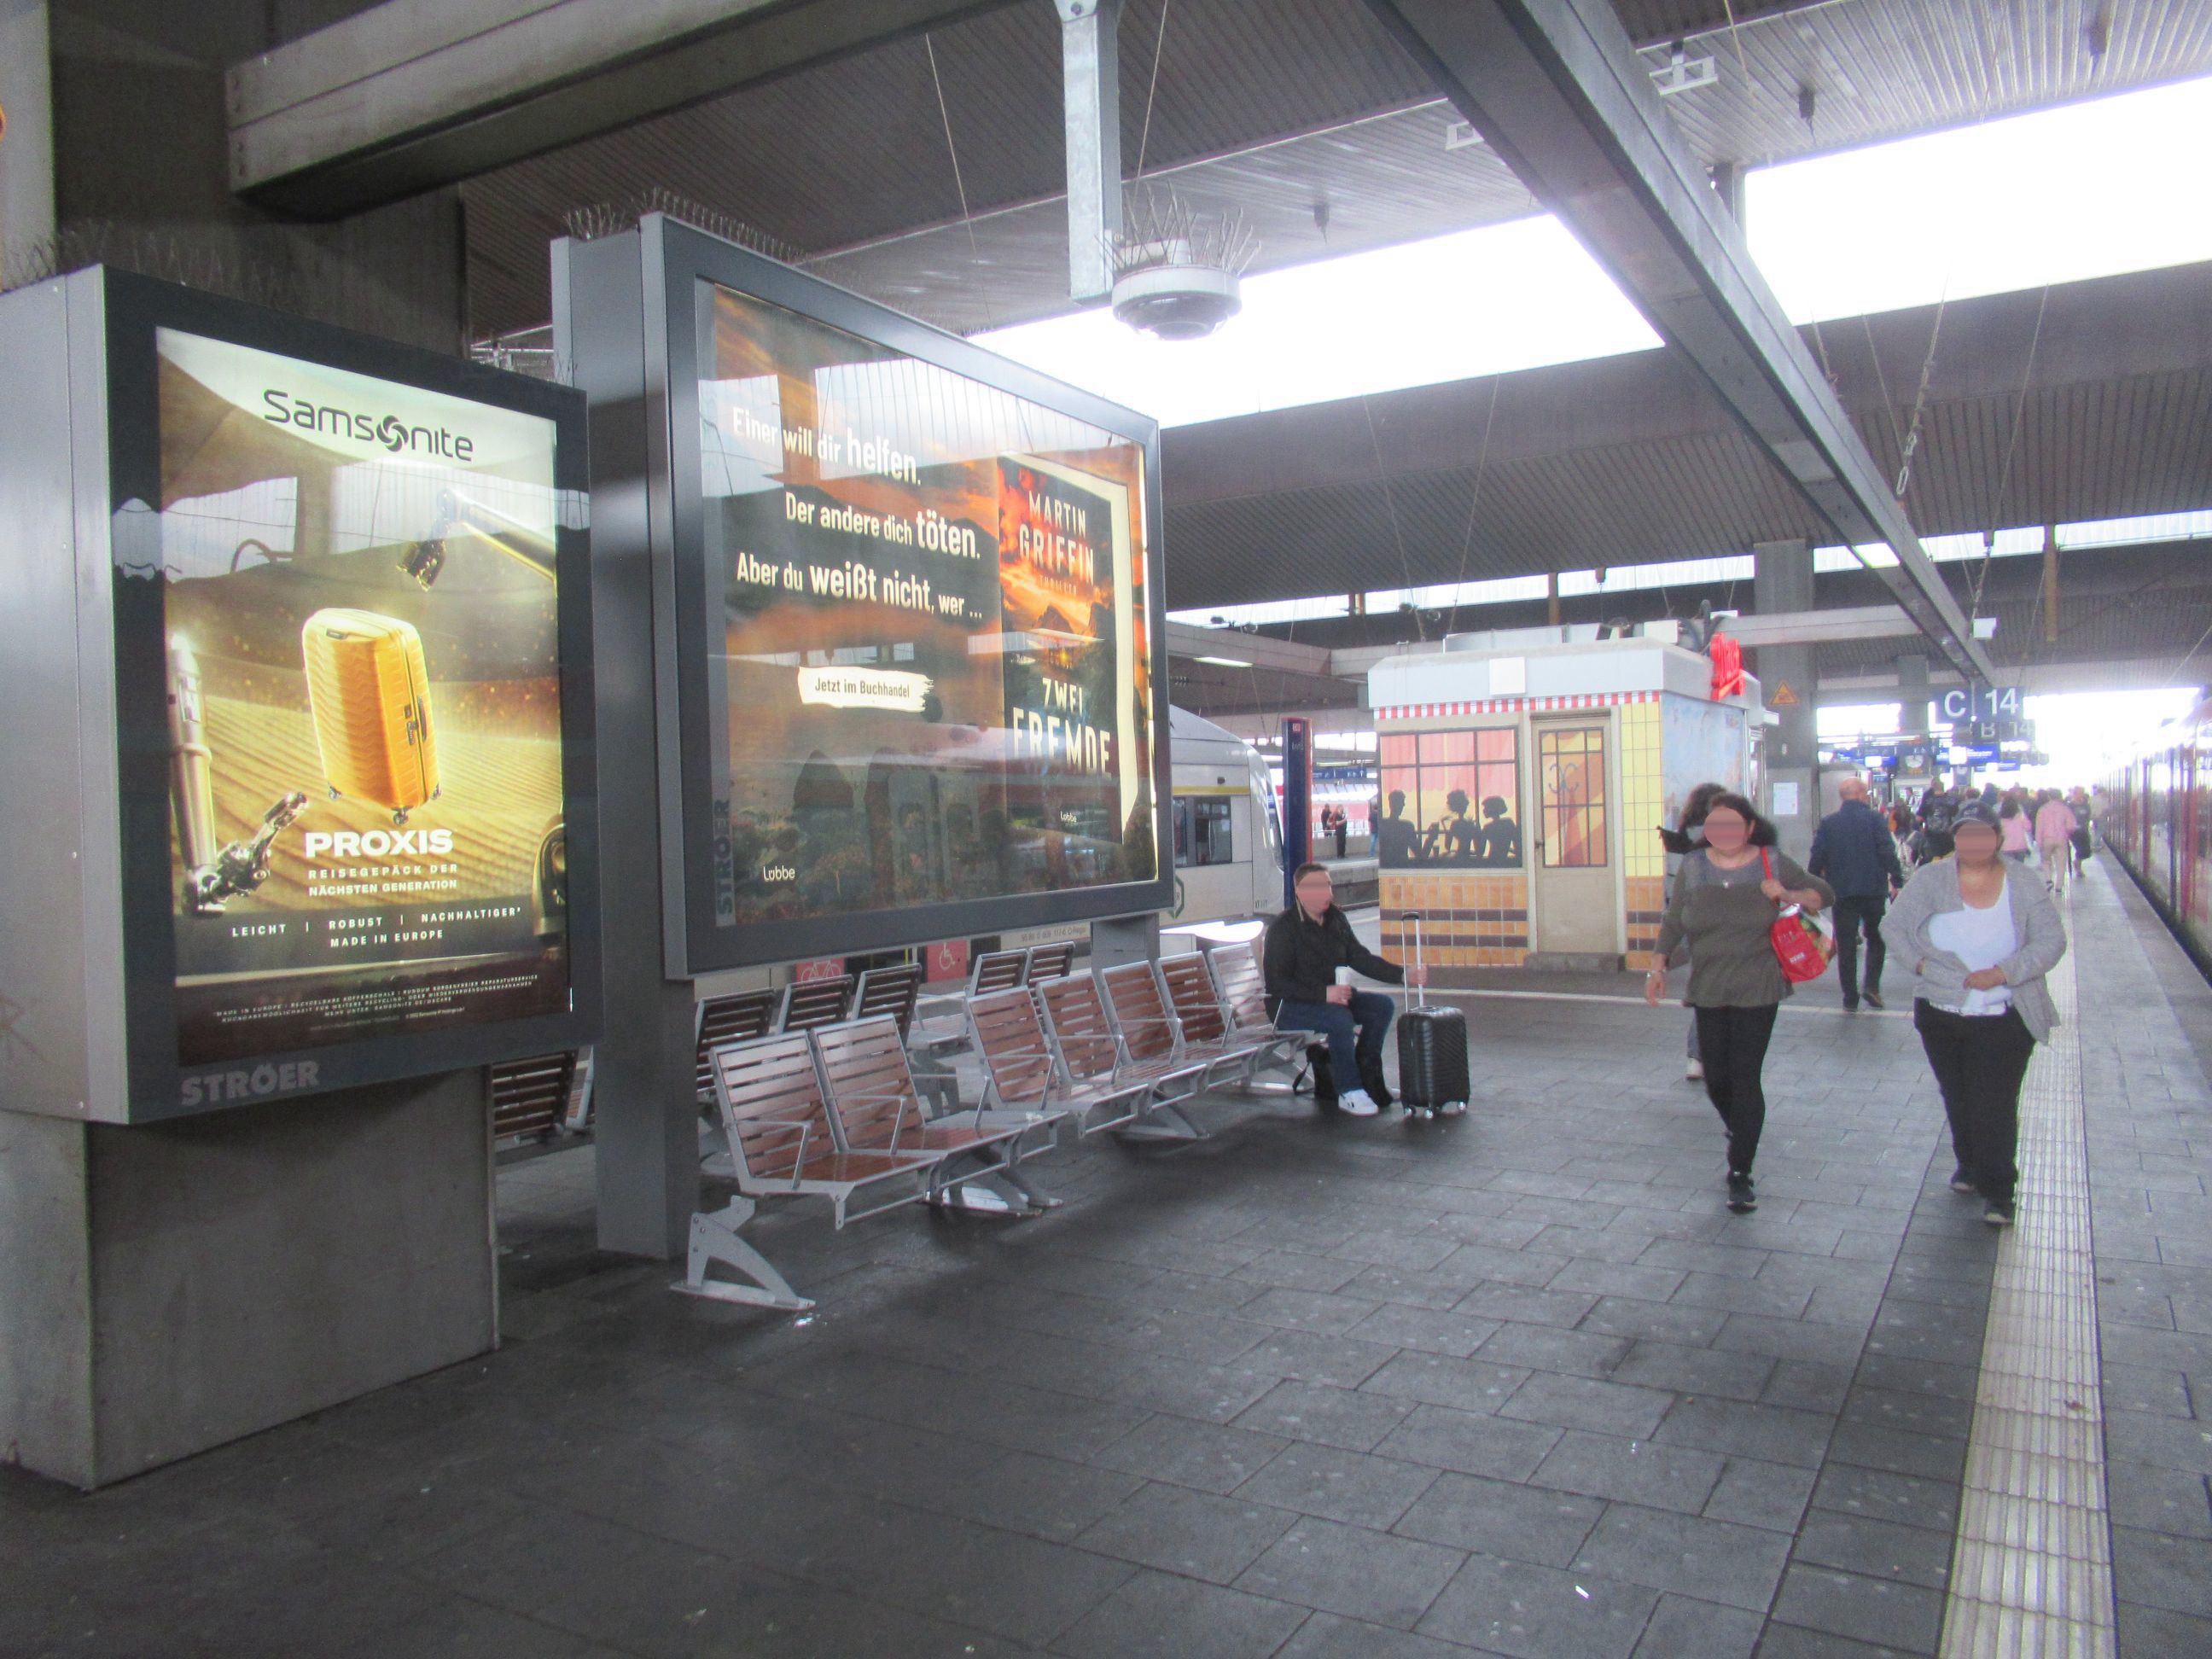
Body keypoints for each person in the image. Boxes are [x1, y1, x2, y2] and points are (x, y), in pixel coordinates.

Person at [1883, 800, 2068, 1226]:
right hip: (1940, 1012)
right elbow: (1894, 927)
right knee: (1958, 1093)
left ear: (1998, 839)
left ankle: (1999, 1190)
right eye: (1966, 834)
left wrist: (2004, 972)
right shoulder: (1931, 879)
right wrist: (1920, 965)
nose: (1975, 842)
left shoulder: (2022, 881)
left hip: (2004, 1014)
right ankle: (1968, 1162)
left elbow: (2051, 941)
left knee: (1994, 1102)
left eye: (1983, 834)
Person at [1645, 793, 1833, 1213]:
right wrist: (1657, 966)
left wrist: (1786, 892)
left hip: (1758, 985)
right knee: (1717, 1078)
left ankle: (1740, 1170)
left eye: (1733, 824)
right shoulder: (1694, 866)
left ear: (1749, 828)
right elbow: (1674, 920)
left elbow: (1824, 895)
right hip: (1709, 984)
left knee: (1746, 1077)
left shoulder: (1771, 861)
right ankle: (1742, 1129)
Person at [1265, 862, 1428, 1117]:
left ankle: (1367, 1073)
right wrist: (1324, 993)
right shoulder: (1283, 928)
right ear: (1300, 892)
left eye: (1328, 885)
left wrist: (1403, 975)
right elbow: (1277, 983)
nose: (1328, 893)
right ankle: (1348, 1090)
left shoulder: (1336, 919)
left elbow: (1360, 957)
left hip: (1330, 998)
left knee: (1381, 1007)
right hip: (1287, 1007)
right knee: (1339, 1018)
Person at [1809, 777, 1904, 1012]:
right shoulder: (1875, 819)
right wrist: (1897, 877)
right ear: (1862, 794)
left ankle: (1850, 997)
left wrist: (1811, 882)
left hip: (1841, 892)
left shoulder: (1829, 823)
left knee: (1846, 944)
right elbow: (1886, 850)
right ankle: (1871, 986)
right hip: (1873, 890)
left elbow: (1818, 854)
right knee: (1876, 938)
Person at [1658, 781, 1730, 1082]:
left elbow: (1672, 889)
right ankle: (1711, 1053)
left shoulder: (1678, 838)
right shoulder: (1723, 836)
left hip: (1692, 924)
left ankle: (1697, 1057)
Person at [2033, 790, 2078, 895]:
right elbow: (2071, 826)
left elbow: (2039, 827)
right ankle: (2059, 887)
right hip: (2061, 839)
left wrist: (2039, 841)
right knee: (2061, 863)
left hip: (2047, 839)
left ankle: (2049, 880)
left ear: (2049, 796)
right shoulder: (2065, 809)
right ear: (2060, 796)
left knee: (2046, 861)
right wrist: (2067, 833)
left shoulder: (2043, 809)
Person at [1376, 790, 1420, 867]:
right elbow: (1419, 853)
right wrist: (1430, 839)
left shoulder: (1382, 824)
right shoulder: (1407, 826)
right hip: (1402, 866)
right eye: (1401, 802)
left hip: (1387, 866)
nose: (1403, 805)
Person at [1477, 795, 1522, 865]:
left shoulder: (1488, 827)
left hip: (1492, 861)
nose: (1484, 810)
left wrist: (1477, 832)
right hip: (1504, 862)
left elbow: (1480, 851)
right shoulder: (1508, 823)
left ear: (1493, 809)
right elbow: (1517, 844)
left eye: (1486, 807)